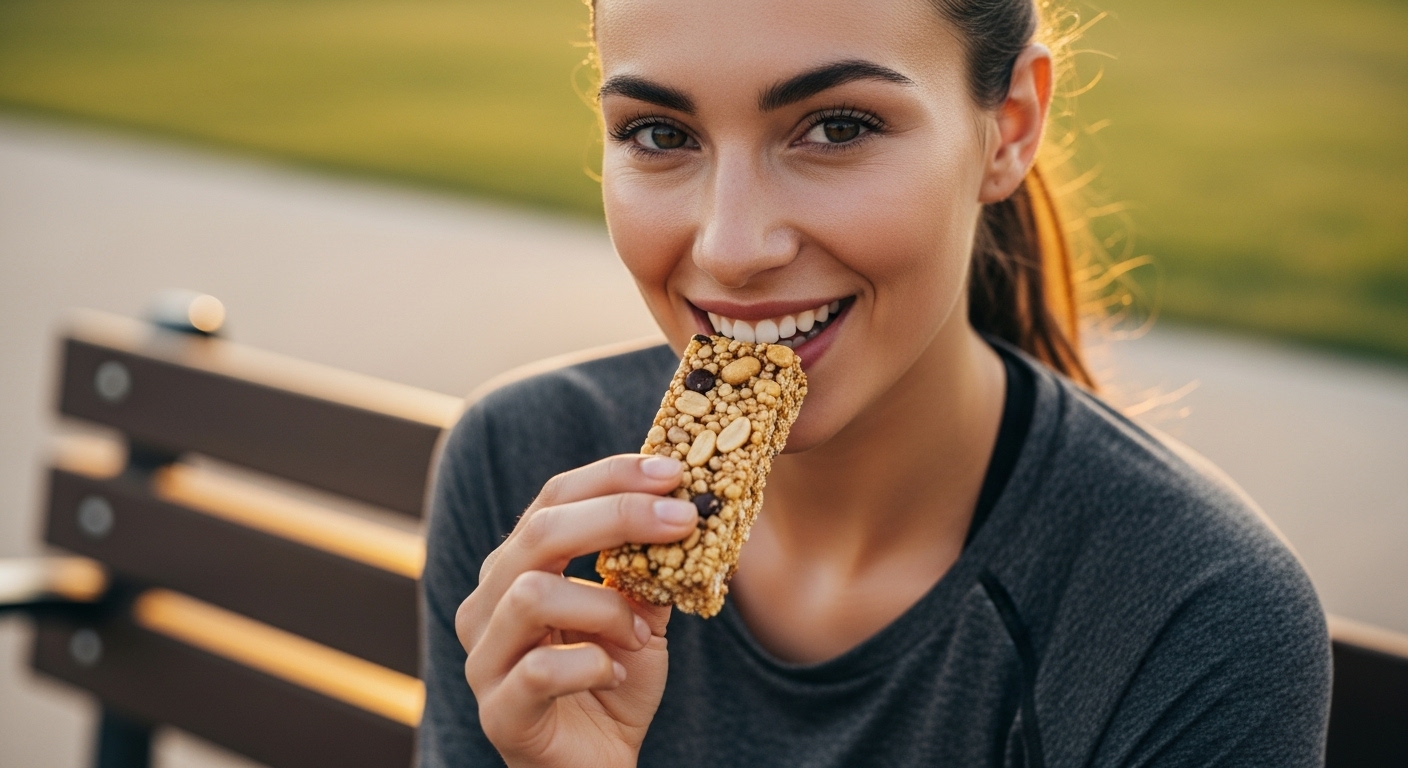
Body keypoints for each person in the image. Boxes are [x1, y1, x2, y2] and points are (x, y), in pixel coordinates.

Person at [418, 0, 1331, 765]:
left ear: (1009, 126)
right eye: (660, 134)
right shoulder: (524, 476)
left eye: (838, 127)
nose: (731, 249)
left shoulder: (1192, 616)